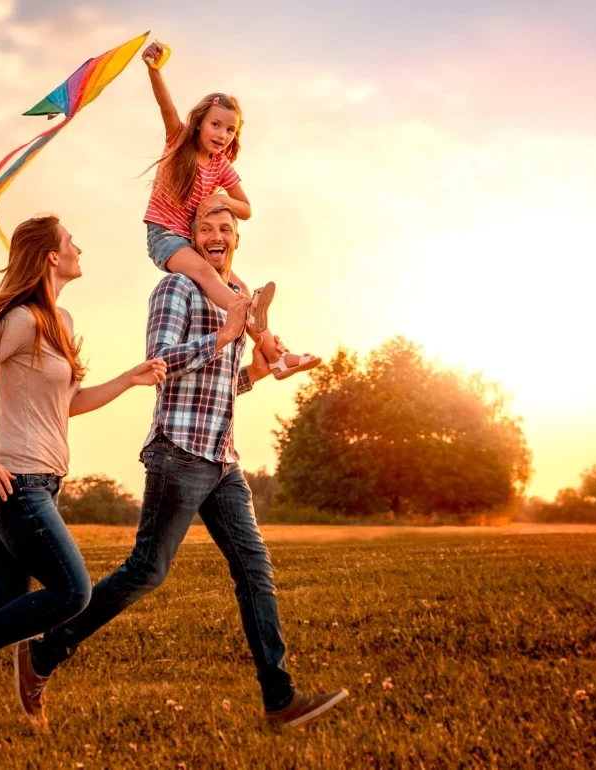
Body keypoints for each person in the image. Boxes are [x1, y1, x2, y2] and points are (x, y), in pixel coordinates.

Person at [18, 204, 349, 728]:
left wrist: (256, 373)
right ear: (189, 241)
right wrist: (223, 337)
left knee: (255, 570)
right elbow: (160, 363)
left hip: (223, 457)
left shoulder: (232, 299)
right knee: (147, 570)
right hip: (178, 452)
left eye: (226, 229)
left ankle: (279, 700)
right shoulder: (175, 290)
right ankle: (44, 653)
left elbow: (219, 387)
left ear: (235, 241)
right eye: (205, 229)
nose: (216, 236)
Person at [0, 215, 167, 757]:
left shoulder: (59, 319)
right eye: (71, 241)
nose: (78, 246)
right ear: (50, 255)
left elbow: (67, 405)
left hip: (43, 481)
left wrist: (127, 379)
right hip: (13, 481)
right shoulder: (20, 318)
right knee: (73, 592)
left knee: (2, 598)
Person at [140, 40, 320, 382]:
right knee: (212, 279)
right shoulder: (178, 141)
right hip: (164, 236)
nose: (222, 134)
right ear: (199, 124)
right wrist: (154, 70)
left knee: (241, 289)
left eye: (230, 130)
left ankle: (277, 358)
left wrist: (223, 200)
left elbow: (246, 208)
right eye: (215, 125)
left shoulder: (221, 166)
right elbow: (166, 106)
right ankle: (245, 311)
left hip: (191, 242)